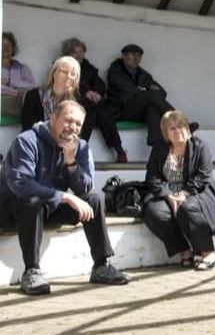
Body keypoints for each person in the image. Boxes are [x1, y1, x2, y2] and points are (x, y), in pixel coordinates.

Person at [0, 100, 129, 295]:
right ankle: (31, 271)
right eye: (68, 120)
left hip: (47, 207)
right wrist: (65, 197)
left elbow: (85, 186)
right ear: (53, 118)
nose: (73, 127)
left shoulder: (81, 147)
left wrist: (71, 163)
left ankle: (102, 265)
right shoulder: (27, 140)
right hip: (12, 208)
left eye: (78, 124)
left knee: (92, 201)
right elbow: (21, 184)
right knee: (32, 203)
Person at [143, 110, 215, 271]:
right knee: (154, 212)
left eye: (181, 126)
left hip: (196, 191)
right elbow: (152, 177)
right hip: (167, 192)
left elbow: (204, 176)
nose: (178, 131)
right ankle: (184, 250)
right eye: (172, 128)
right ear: (166, 133)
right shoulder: (159, 148)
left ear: (187, 128)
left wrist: (183, 194)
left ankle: (208, 252)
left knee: (186, 207)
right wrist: (169, 196)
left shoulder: (200, 146)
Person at [63, 37, 128, 163]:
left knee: (100, 111)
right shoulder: (62, 66)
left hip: (90, 104)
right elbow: (68, 85)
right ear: (68, 53)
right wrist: (85, 92)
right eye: (75, 52)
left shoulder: (87, 67)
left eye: (81, 51)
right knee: (93, 108)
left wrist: (97, 93)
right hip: (71, 102)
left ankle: (119, 150)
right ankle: (118, 149)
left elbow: (99, 83)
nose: (78, 55)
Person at [105, 44, 176, 146]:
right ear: (124, 56)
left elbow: (162, 93)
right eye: (132, 55)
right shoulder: (115, 72)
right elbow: (130, 92)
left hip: (137, 111)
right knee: (149, 96)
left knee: (152, 108)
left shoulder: (143, 75)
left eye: (139, 55)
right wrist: (145, 89)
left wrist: (143, 90)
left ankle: (155, 141)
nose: (136, 58)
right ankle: (179, 121)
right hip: (121, 111)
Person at [21, 57, 81, 130]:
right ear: (54, 74)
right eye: (64, 72)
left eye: (73, 74)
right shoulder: (34, 96)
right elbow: (28, 127)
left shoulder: (75, 102)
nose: (68, 76)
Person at [1, 31, 36, 118]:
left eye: (9, 45)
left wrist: (11, 82)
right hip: (4, 101)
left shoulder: (22, 68)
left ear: (13, 48)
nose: (6, 48)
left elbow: (32, 86)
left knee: (33, 96)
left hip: (20, 100)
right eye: (2, 44)